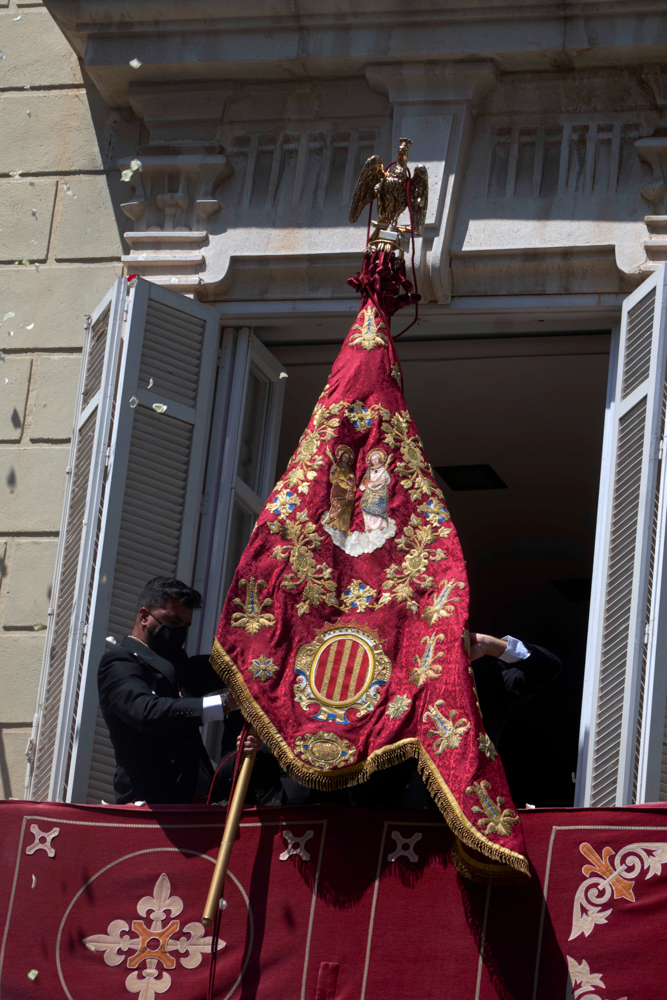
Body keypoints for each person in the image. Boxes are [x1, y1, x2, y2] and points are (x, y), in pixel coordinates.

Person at [212, 632, 560, 809]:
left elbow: (547, 670)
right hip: (380, 805)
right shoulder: (388, 670)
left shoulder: (486, 677)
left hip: (454, 805)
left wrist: (491, 645)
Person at [98, 577, 236, 804]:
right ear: (144, 617)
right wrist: (222, 704)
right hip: (150, 803)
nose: (180, 631)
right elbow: (146, 711)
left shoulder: (178, 665)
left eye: (186, 625)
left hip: (194, 801)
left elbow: (225, 667)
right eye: (173, 621)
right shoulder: (119, 663)